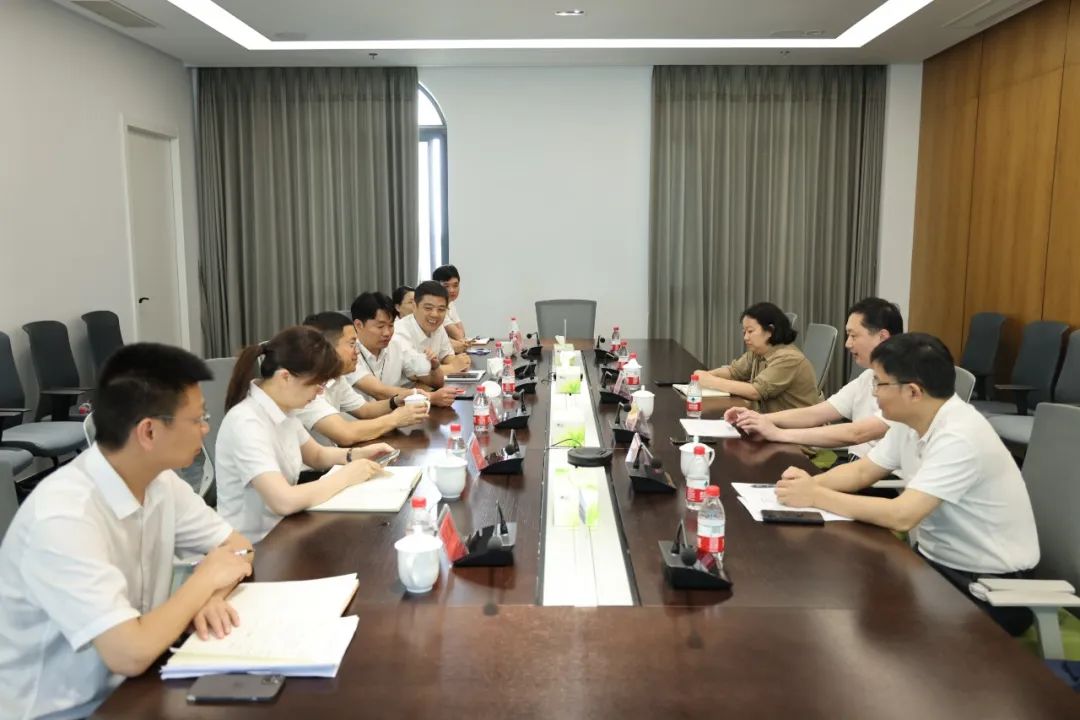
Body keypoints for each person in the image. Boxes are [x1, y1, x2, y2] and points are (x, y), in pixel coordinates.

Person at [0, 344, 254, 719]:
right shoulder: (63, 517)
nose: (205, 429)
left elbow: (238, 547)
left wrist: (211, 596)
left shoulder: (159, 481)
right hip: (63, 711)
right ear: (148, 431)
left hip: (132, 686)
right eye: (198, 418)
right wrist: (202, 583)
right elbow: (129, 654)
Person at [776, 333, 1040, 636]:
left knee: (862, 622)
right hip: (935, 566)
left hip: (989, 588)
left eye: (879, 383)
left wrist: (815, 496)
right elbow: (862, 472)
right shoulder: (912, 419)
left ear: (913, 391)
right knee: (839, 592)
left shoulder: (960, 435)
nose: (874, 394)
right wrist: (808, 483)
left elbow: (902, 516)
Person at [215, 326, 390, 543]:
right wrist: (346, 476)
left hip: (285, 530)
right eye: (316, 383)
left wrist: (356, 455)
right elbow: (283, 500)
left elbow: (316, 455)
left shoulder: (283, 407)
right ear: (285, 377)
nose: (320, 392)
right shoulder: (246, 422)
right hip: (254, 545)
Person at [725, 298, 903, 457]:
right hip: (859, 468)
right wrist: (757, 418)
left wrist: (778, 433)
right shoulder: (868, 377)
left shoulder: (904, 385)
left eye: (853, 335)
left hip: (882, 479)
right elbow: (815, 414)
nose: (847, 344)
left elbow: (856, 434)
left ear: (882, 337)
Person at [296, 312, 430, 444]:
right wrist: (395, 419)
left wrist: (396, 401)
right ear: (327, 348)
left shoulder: (336, 378)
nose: (357, 351)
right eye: (352, 344)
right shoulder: (303, 388)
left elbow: (365, 410)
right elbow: (345, 434)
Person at [695, 302, 823, 412]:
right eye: (744, 332)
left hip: (798, 428)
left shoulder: (789, 359)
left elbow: (755, 391)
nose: (746, 337)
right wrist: (705, 375)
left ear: (770, 331)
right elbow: (734, 372)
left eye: (750, 331)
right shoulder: (758, 350)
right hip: (771, 422)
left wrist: (711, 381)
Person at [348, 292, 460, 406]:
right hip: (360, 416)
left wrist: (435, 368)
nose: (387, 333)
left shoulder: (397, 344)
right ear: (358, 325)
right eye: (380, 326)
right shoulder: (347, 353)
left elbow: (435, 383)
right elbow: (379, 392)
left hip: (396, 414)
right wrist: (429, 397)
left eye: (391, 325)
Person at [393, 281, 472, 376]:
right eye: (428, 308)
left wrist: (461, 362)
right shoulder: (400, 331)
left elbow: (446, 355)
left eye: (441, 309)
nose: (435, 314)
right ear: (414, 306)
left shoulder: (438, 326)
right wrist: (453, 367)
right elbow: (417, 373)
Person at [433, 264, 469, 353]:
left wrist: (460, 341)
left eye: (455, 285)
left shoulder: (450, 303)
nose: (452, 290)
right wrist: (460, 341)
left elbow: (462, 334)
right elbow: (459, 335)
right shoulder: (436, 307)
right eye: (446, 286)